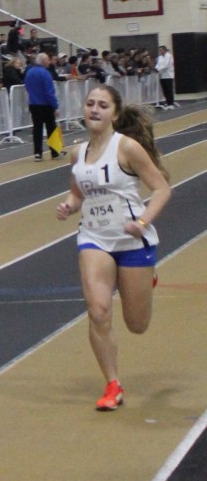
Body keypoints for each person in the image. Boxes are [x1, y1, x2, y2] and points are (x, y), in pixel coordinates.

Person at [55, 85, 172, 411]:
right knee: (98, 310)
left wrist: (143, 222)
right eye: (90, 104)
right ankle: (112, 384)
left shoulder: (127, 147)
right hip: (94, 237)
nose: (94, 109)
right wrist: (68, 205)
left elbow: (162, 189)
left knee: (137, 324)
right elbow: (78, 194)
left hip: (131, 239)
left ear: (115, 114)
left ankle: (146, 278)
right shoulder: (77, 154)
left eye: (102, 105)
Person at [23, 51, 61, 160]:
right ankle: (54, 151)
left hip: (34, 104)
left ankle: (38, 153)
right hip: (46, 104)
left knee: (37, 129)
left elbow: (27, 87)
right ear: (44, 61)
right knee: (51, 128)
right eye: (48, 59)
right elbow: (49, 92)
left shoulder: (29, 72)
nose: (49, 61)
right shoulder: (45, 73)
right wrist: (55, 105)